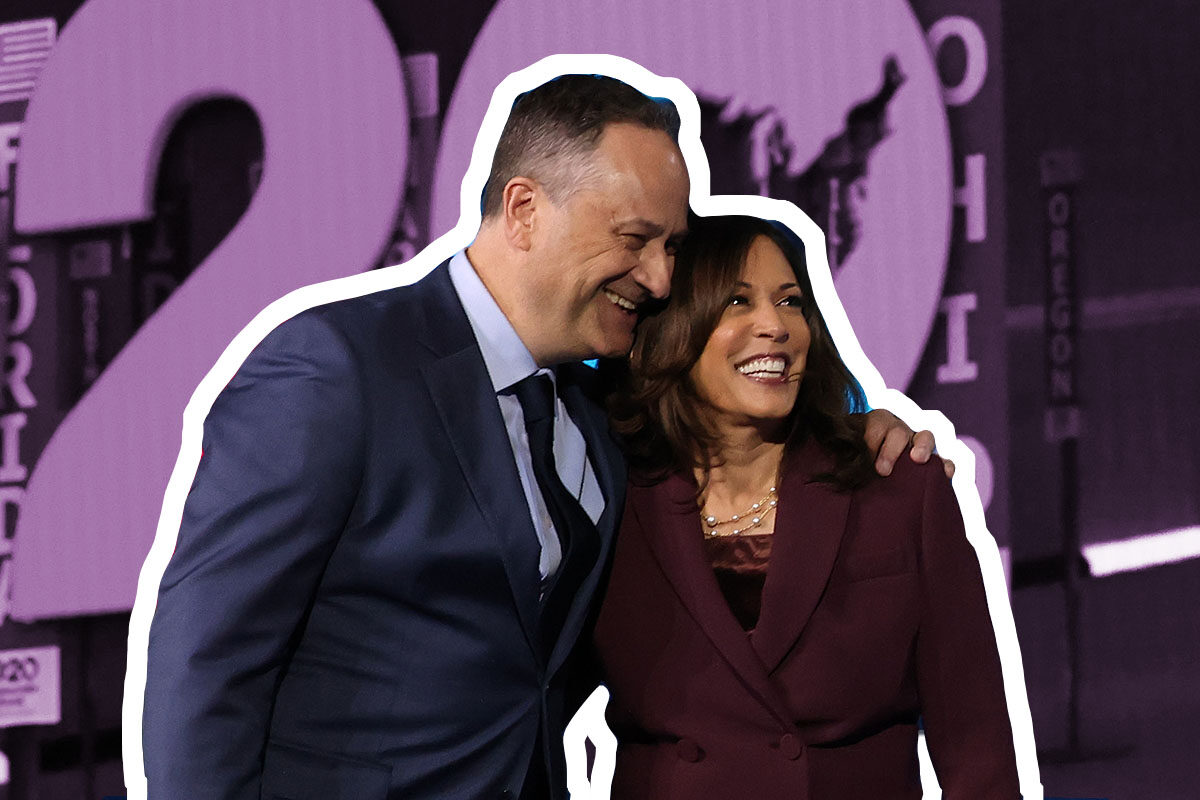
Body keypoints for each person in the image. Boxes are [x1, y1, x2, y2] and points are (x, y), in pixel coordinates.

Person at [140, 73, 938, 800]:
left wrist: (857, 430)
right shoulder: (336, 371)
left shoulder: (605, 412)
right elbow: (206, 668)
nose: (661, 279)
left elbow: (736, 444)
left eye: (671, 247)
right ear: (524, 210)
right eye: (635, 240)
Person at [594, 215, 1019, 799]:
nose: (774, 326)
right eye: (737, 302)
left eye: (791, 302)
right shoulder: (607, 493)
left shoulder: (896, 485)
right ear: (670, 330)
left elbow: (978, 753)